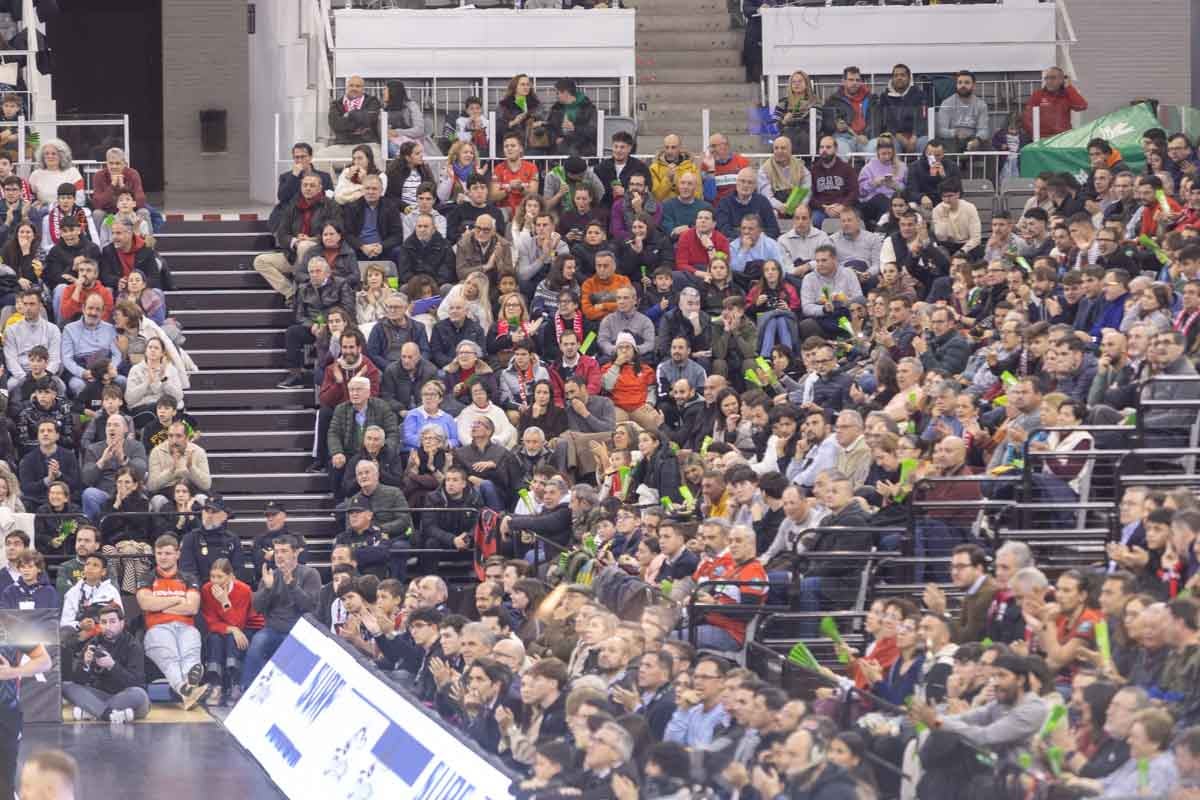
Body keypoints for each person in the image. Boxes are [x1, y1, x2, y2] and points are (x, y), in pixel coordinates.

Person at [135, 534, 209, 709]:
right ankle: (188, 691)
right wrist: (178, 598)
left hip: (186, 627)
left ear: (177, 554)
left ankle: (187, 692)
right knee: (171, 659)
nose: (163, 557)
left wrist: (160, 606)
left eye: (168, 553)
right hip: (157, 628)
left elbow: (192, 608)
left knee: (189, 657)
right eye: (159, 553)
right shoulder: (147, 577)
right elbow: (145, 603)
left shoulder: (188, 578)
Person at [243, 533, 321, 689]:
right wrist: (268, 588)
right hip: (272, 629)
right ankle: (248, 689)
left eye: (284, 551)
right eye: (277, 551)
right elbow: (257, 607)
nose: (279, 555)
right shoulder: (270, 576)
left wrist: (292, 585)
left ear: (295, 552)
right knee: (258, 643)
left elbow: (310, 607)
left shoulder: (310, 574)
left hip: (298, 631)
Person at [62, 604, 149, 723]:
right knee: (66, 686)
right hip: (101, 695)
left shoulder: (133, 645)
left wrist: (112, 666)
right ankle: (109, 715)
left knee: (139, 694)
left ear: (121, 623)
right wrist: (85, 664)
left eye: (112, 622)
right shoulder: (93, 642)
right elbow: (78, 681)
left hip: (127, 696)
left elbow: (137, 683)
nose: (108, 626)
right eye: (103, 622)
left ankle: (93, 711)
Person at [1022, 66, 1087, 139]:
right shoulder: (1038, 95)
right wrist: (1037, 135)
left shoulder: (1067, 94)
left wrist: (1069, 87)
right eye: (1046, 78)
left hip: (1063, 138)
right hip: (1043, 139)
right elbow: (1027, 118)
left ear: (1061, 79)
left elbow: (1082, 106)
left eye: (1053, 78)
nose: (1049, 81)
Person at [937, 70, 990, 152]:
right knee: (944, 148)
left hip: (973, 138)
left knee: (990, 149)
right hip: (952, 140)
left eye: (967, 83)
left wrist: (977, 140)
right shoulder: (947, 103)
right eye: (960, 82)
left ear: (974, 85)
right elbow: (941, 130)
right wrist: (955, 133)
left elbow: (984, 130)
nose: (963, 85)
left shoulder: (981, 104)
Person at [546, 79, 597, 158]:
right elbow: (550, 128)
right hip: (559, 153)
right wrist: (555, 139)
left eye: (557, 93)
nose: (556, 96)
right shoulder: (556, 109)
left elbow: (593, 131)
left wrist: (574, 128)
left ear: (566, 92)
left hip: (582, 152)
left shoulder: (588, 108)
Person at [328, 75, 381, 146]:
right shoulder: (336, 104)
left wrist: (349, 114)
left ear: (363, 88)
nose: (354, 88)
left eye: (358, 86)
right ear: (347, 87)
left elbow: (370, 119)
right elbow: (336, 124)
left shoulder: (372, 101)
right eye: (351, 85)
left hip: (367, 143)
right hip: (343, 144)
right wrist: (359, 128)